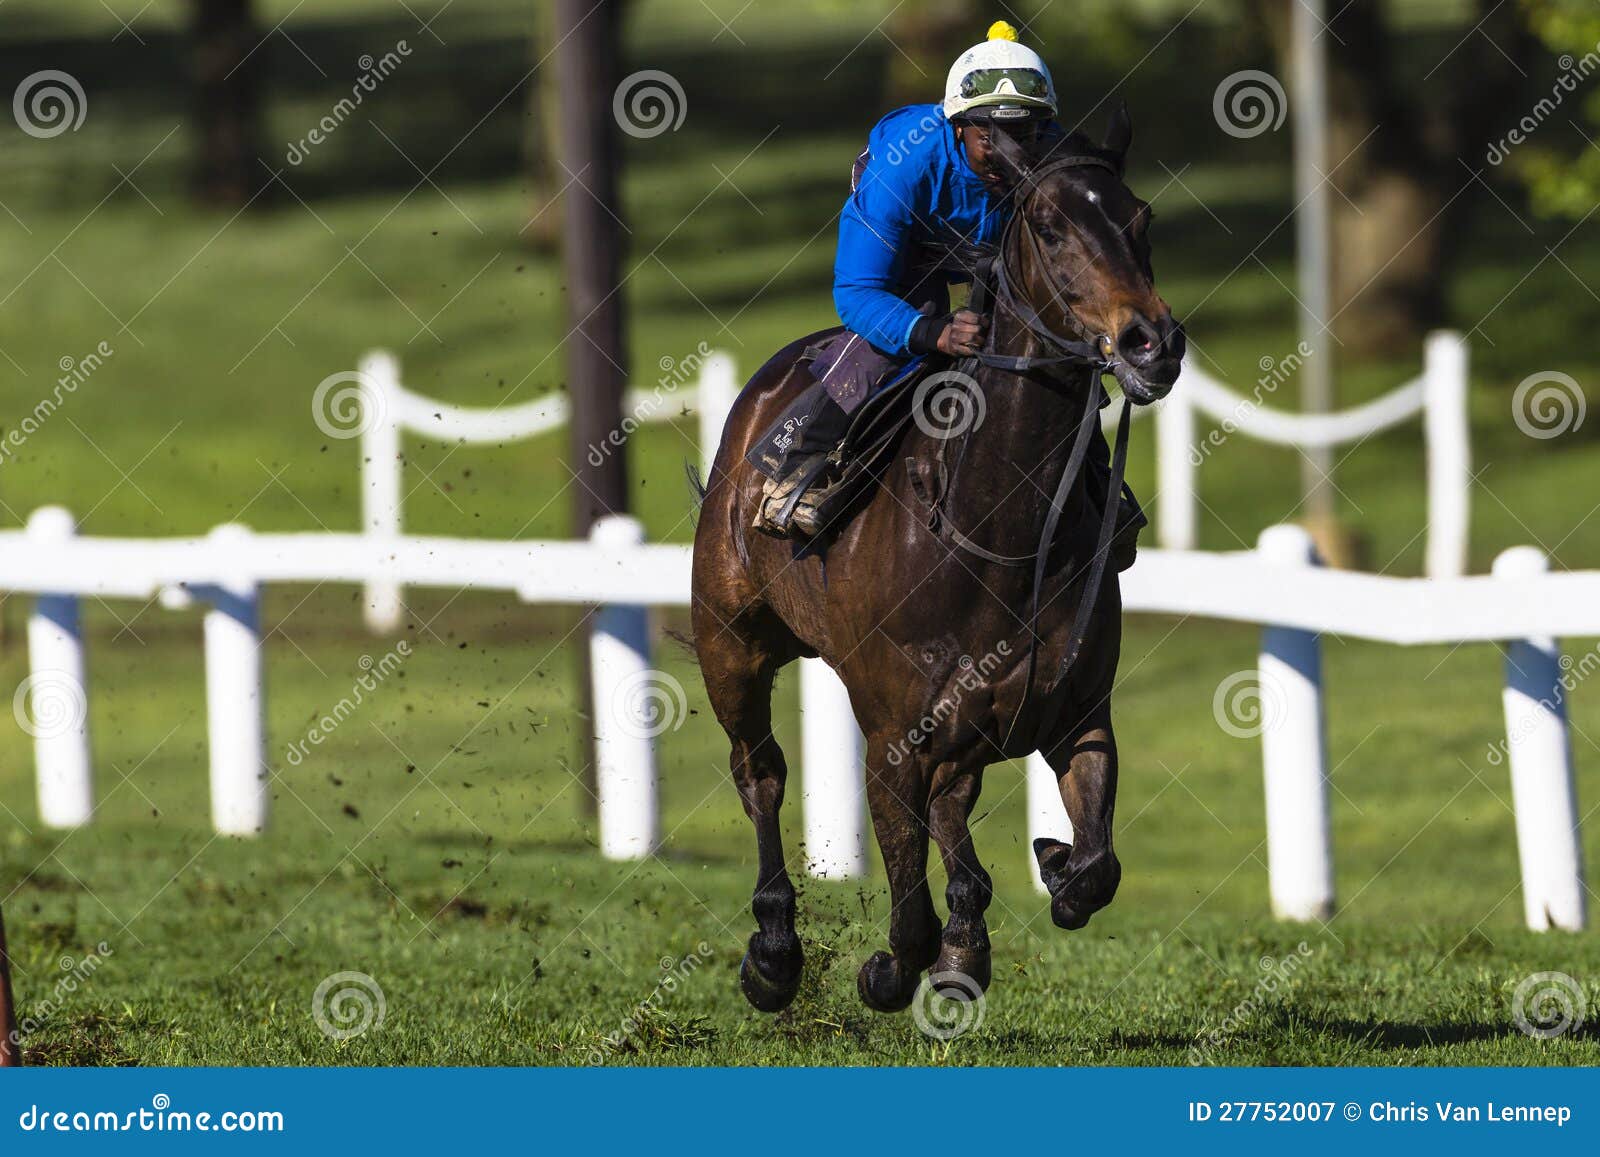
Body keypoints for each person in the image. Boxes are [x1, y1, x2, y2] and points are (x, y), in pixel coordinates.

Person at [752, 21, 1144, 568]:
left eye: (1026, 135)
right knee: (910, 325)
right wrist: (931, 332)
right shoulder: (903, 168)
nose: (1012, 155)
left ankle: (1097, 483)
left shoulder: (1048, 157)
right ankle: (802, 461)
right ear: (959, 127)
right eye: (993, 139)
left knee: (1051, 344)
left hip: (995, 248)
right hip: (914, 243)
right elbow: (858, 293)